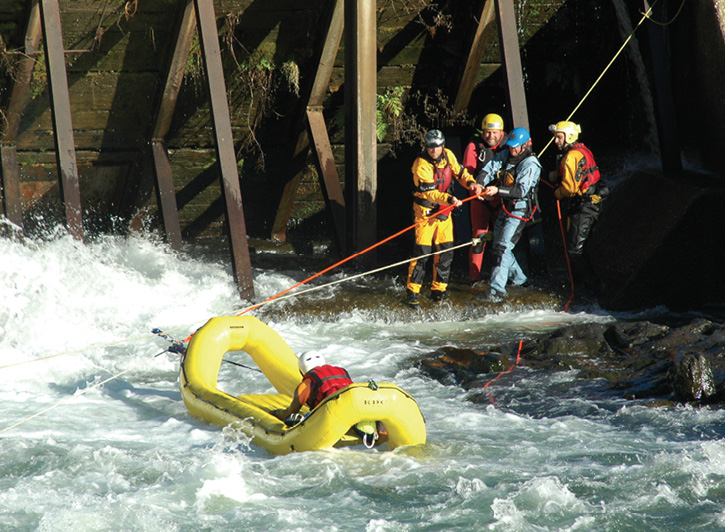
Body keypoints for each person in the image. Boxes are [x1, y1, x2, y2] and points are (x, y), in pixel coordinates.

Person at [406, 129, 483, 307]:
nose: (434, 150)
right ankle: (412, 292)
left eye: (437, 146)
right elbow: (430, 193)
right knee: (422, 254)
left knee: (446, 252)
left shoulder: (448, 155)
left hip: (445, 212)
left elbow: (460, 173)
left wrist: (472, 184)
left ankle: (438, 290)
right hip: (425, 213)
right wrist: (449, 199)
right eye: (430, 147)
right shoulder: (421, 165)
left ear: (443, 146)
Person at [477, 127, 541, 302]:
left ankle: (496, 291)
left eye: (515, 147)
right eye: (510, 146)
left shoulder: (530, 164)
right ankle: (521, 280)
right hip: (506, 208)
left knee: (502, 249)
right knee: (500, 246)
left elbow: (520, 190)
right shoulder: (506, 154)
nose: (512, 150)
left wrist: (497, 190)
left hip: (519, 211)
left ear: (524, 145)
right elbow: (491, 167)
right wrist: (479, 184)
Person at [548, 121, 607, 282]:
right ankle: (584, 283)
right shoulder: (582, 149)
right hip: (593, 200)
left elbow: (569, 189)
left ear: (569, 137)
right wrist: (556, 176)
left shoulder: (570, 156)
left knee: (575, 250)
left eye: (559, 138)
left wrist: (557, 193)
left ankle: (592, 286)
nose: (556, 141)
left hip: (583, 206)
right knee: (581, 245)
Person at [462, 113, 507, 285]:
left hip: (501, 198)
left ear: (501, 132)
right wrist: (477, 190)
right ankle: (475, 279)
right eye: (487, 132)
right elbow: (467, 175)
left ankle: (504, 279)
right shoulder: (474, 146)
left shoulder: (509, 146)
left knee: (504, 240)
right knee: (478, 238)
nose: (491, 136)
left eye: (494, 132)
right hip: (479, 199)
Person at [273, 351, 352, 426]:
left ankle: (303, 420)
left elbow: (290, 412)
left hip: (331, 414)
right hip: (353, 407)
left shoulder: (306, 384)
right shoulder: (342, 371)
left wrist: (276, 413)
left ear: (301, 371)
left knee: (299, 417)